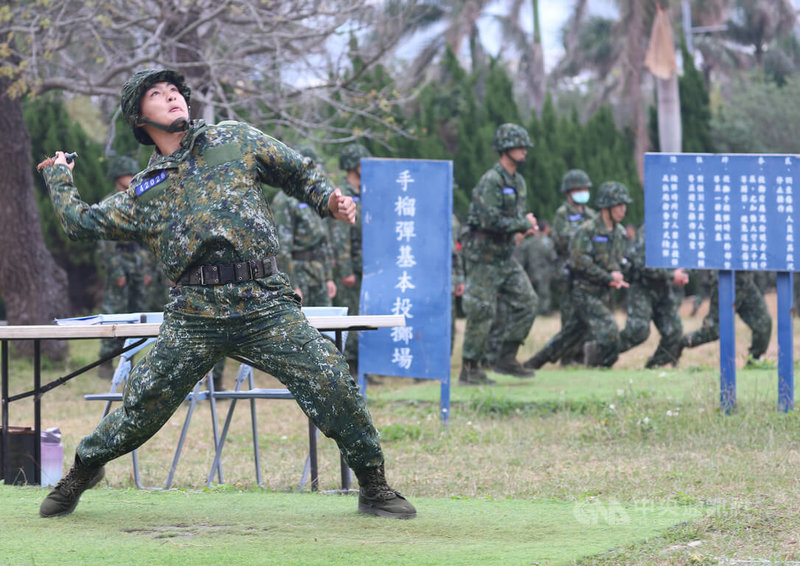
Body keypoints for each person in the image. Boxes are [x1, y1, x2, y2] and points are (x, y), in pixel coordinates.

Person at [36, 68, 415, 520]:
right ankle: (82, 471)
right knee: (142, 406)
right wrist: (60, 176)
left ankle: (374, 487)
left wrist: (328, 200)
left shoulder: (232, 138)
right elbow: (80, 223)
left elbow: (296, 170)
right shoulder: (144, 191)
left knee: (330, 379)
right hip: (195, 315)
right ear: (140, 119)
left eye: (175, 90)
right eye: (157, 94)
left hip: (264, 303)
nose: (172, 97)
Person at [459, 123, 538, 385]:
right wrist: (523, 223)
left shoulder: (518, 181)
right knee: (481, 310)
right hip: (484, 257)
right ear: (505, 148)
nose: (524, 150)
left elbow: (513, 220)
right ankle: (470, 369)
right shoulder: (491, 180)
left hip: (504, 256)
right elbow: (489, 220)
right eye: (519, 145)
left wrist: (522, 228)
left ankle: (506, 359)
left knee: (527, 301)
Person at [525, 181, 631, 369]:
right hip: (584, 292)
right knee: (610, 331)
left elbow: (617, 262)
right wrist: (608, 277)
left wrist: (618, 275)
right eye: (619, 205)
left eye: (624, 205)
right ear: (606, 207)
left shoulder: (620, 233)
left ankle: (534, 363)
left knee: (570, 335)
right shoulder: (587, 230)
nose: (623, 210)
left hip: (604, 294)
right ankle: (601, 368)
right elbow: (578, 262)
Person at [537, 169, 598, 367]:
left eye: (586, 189)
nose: (583, 192)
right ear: (570, 192)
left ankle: (583, 356)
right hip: (569, 272)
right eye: (580, 189)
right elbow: (563, 239)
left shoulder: (591, 214)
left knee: (587, 316)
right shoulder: (562, 214)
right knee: (570, 316)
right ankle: (568, 358)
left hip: (588, 274)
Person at [96, 155, 146, 379]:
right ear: (119, 176)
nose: (133, 177)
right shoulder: (110, 202)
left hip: (136, 260)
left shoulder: (138, 200)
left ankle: (128, 359)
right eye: (129, 174)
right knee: (114, 313)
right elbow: (104, 243)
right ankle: (106, 362)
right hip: (118, 260)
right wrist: (116, 271)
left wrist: (144, 267)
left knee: (136, 313)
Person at [272, 145, 337, 307]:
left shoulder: (316, 199)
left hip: (318, 272)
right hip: (298, 273)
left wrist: (329, 277)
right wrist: (292, 285)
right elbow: (282, 249)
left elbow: (323, 239)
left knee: (328, 327)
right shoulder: (284, 201)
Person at [617, 224, 689, 368]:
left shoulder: (678, 229)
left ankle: (653, 367)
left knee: (674, 331)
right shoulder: (649, 230)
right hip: (642, 286)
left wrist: (682, 273)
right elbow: (642, 264)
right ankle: (598, 352)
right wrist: (672, 275)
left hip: (663, 287)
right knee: (639, 331)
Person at [330, 143, 372, 378]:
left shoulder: (365, 192)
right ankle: (349, 367)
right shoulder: (343, 194)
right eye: (360, 163)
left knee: (363, 315)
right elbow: (340, 235)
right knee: (349, 317)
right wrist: (346, 269)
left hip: (366, 265)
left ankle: (361, 366)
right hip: (351, 267)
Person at [680, 271, 772, 366]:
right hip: (725, 279)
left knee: (764, 323)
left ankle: (753, 362)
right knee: (714, 330)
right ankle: (682, 342)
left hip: (745, 281)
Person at [513, 220, 557, 315]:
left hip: (531, 271)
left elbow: (523, 256)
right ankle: (544, 311)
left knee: (531, 293)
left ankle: (532, 311)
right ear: (546, 229)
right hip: (544, 271)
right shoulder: (548, 242)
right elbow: (553, 257)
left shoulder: (529, 242)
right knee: (544, 293)